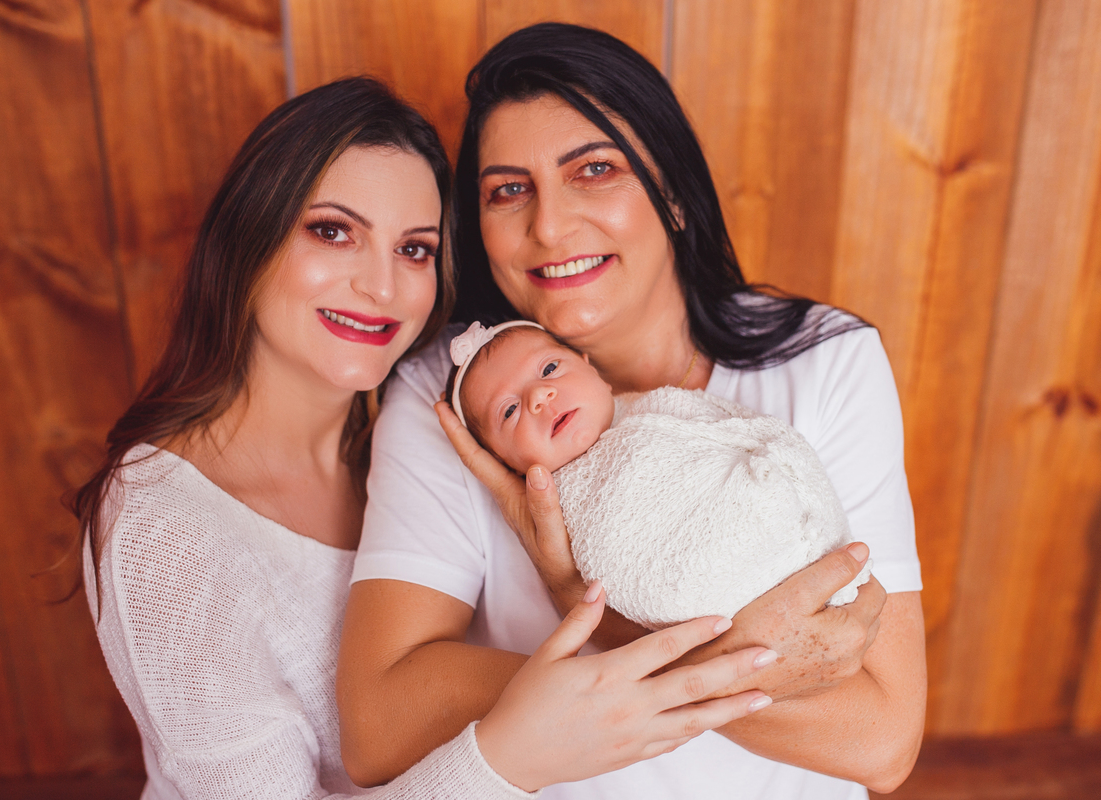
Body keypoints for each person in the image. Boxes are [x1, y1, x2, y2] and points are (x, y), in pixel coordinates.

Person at [70, 78, 778, 800]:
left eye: (414, 249)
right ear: (246, 238)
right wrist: (510, 756)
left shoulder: (425, 432)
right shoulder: (162, 528)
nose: (382, 287)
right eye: (333, 231)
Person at [339, 23, 926, 799]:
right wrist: (745, 666)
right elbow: (378, 724)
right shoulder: (453, 395)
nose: (549, 226)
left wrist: (585, 608)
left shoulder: (825, 362)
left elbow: (883, 740)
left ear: (673, 194)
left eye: (595, 169)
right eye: (508, 190)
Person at [444, 319, 869, 627]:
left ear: (591, 368)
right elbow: (624, 568)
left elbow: (742, 427)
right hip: (694, 572)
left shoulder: (660, 404)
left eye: (550, 368)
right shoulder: (564, 504)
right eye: (510, 411)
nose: (540, 396)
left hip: (761, 497)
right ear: (506, 464)